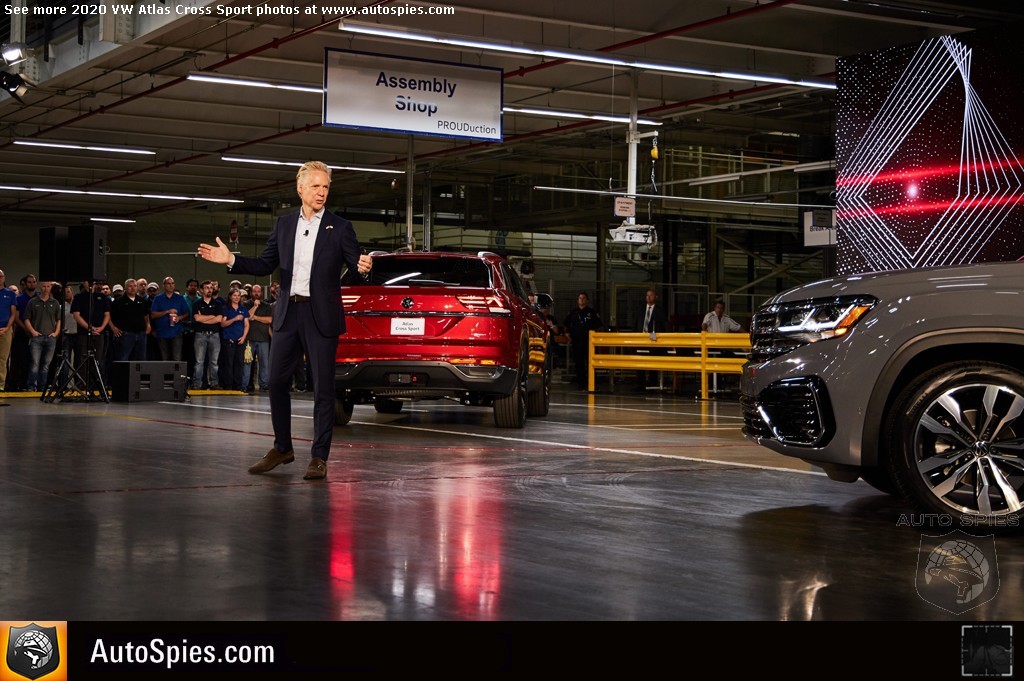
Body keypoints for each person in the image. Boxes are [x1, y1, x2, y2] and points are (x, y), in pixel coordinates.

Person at [197, 160, 371, 480]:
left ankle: (319, 456)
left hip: (321, 316)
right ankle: (282, 448)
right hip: (288, 314)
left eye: (326, 187)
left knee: (322, 388)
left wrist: (364, 267)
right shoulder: (284, 224)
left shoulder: (340, 227)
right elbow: (265, 264)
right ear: (300, 188)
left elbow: (356, 266)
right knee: (276, 381)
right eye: (315, 186)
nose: (321, 192)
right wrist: (231, 259)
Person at [24, 280, 62, 392]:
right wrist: (32, 331)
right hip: (37, 337)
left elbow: (59, 320)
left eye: (48, 286)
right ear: (40, 287)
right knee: (35, 363)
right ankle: (31, 386)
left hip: (50, 337)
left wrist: (56, 333)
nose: (46, 289)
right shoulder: (33, 302)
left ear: (51, 287)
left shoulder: (55, 303)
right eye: (44, 286)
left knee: (46, 364)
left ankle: (42, 387)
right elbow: (26, 318)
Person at [563, 291, 603, 390]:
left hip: (589, 342)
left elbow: (599, 326)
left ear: (587, 300)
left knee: (590, 363)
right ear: (577, 300)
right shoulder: (573, 312)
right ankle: (581, 384)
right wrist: (566, 333)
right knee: (579, 363)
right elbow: (565, 324)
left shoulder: (592, 312)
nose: (581, 300)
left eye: (583, 298)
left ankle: (592, 384)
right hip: (577, 342)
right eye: (580, 298)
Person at [191, 280, 223, 389]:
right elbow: (197, 318)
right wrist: (212, 316)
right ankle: (197, 384)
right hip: (200, 335)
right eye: (207, 288)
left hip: (214, 335)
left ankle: (214, 383)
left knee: (214, 361)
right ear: (201, 290)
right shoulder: (197, 303)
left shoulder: (217, 303)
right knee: (199, 361)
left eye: (211, 288)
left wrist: (203, 318)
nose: (209, 290)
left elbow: (219, 319)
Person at [110, 278, 151, 361]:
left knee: (141, 359)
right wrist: (113, 328)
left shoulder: (142, 300)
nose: (132, 288)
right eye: (130, 286)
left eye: (135, 286)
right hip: (125, 334)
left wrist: (148, 325)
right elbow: (109, 316)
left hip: (141, 334)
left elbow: (146, 315)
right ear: (125, 288)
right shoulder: (118, 301)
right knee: (123, 358)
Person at [149, 276, 189, 361]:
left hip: (176, 332)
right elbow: (153, 315)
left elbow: (187, 313)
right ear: (163, 286)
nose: (171, 285)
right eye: (168, 284)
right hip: (162, 333)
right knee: (164, 359)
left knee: (177, 358)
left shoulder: (180, 298)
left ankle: (177, 371)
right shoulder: (158, 298)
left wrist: (180, 317)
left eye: (172, 283)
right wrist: (167, 312)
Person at [635, 287, 667, 391]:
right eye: (647, 295)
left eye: (651, 295)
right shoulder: (640, 308)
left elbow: (664, 325)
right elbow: (636, 322)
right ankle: (641, 383)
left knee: (653, 359)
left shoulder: (660, 310)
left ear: (656, 297)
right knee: (639, 360)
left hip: (653, 338)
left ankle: (652, 382)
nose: (648, 297)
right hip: (641, 338)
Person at [219, 288, 250, 392]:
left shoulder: (243, 309)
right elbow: (223, 324)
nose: (237, 297)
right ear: (230, 297)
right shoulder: (226, 308)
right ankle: (228, 384)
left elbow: (246, 325)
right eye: (234, 295)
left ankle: (238, 385)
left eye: (238, 295)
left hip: (240, 340)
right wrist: (234, 319)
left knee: (239, 362)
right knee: (228, 362)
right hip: (229, 339)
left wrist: (244, 337)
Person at [0, 270, 15, 392]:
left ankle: (1, 384)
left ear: (4, 278)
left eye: (1, 276)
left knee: (3, 358)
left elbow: (13, 314)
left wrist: (7, 327)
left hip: (5, 329)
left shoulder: (10, 294)